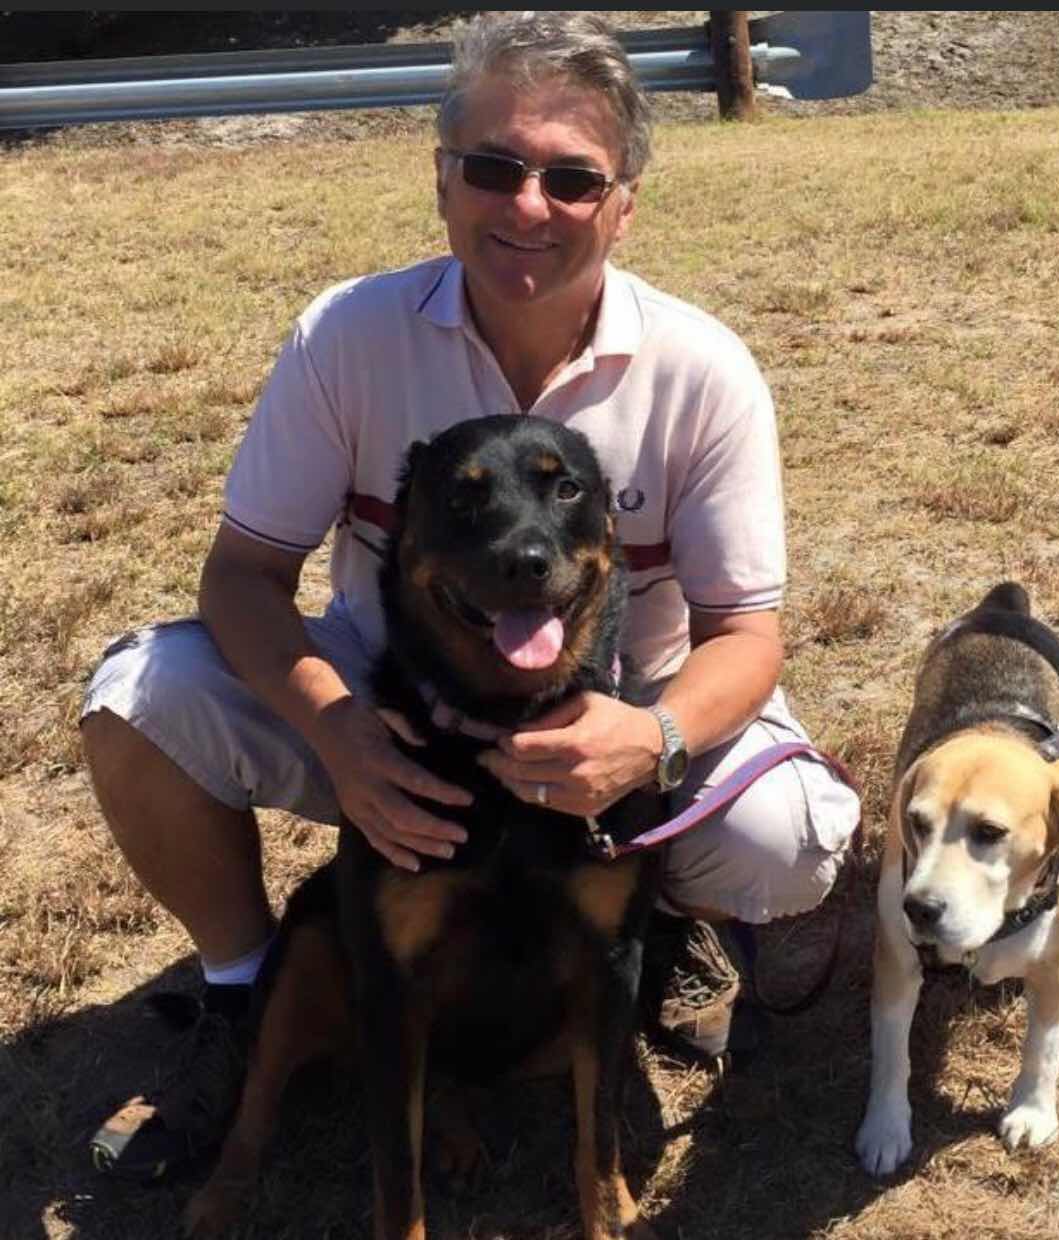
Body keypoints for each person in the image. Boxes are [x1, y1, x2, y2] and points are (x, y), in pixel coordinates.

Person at [82, 11, 861, 1182]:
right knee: (138, 698)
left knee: (784, 834)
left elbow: (746, 634)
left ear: (625, 203)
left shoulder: (703, 371)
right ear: (442, 181)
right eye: (493, 167)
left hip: (621, 708)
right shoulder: (349, 335)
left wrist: (650, 737)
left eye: (572, 178)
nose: (528, 205)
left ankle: (644, 926)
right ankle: (244, 992)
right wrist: (337, 726)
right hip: (393, 711)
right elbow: (241, 575)